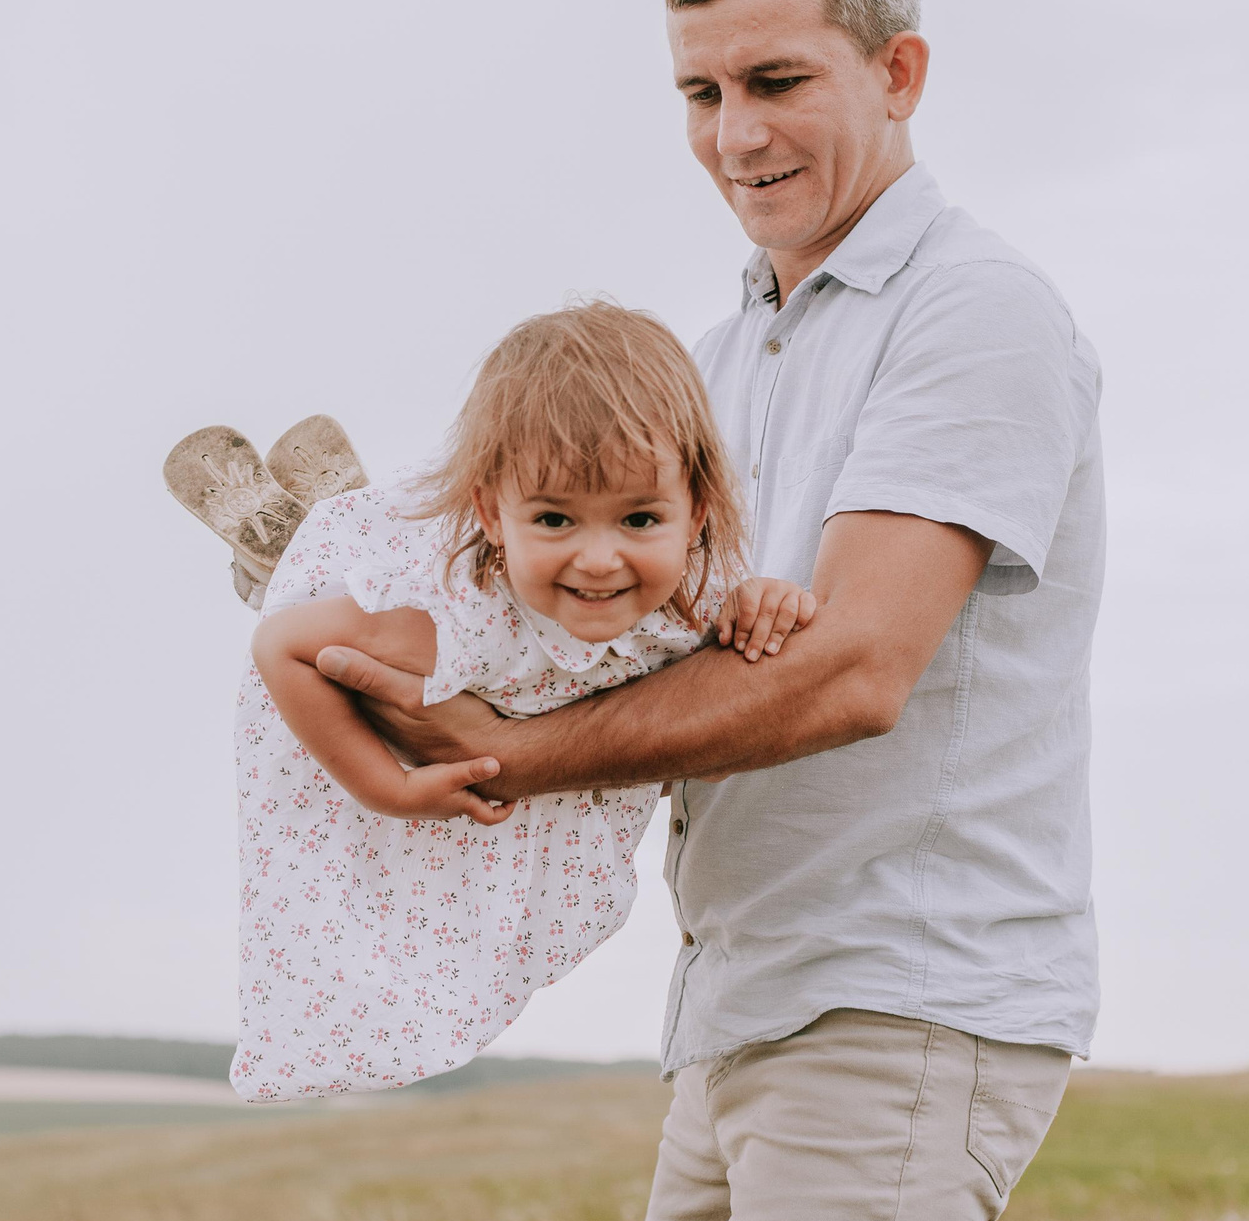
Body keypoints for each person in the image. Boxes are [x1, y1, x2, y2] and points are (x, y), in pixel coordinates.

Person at [314, 0, 1106, 1221]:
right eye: (702, 91)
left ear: (900, 72)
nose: (735, 134)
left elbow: (860, 666)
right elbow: (620, 639)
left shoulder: (976, 311)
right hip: (741, 997)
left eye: (778, 81)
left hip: (901, 990)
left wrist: (505, 752)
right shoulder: (715, 358)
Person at [205, 302, 816, 1102]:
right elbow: (280, 646)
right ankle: (313, 546)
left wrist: (760, 602)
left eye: (639, 518)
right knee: (402, 919)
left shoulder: (687, 594)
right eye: (556, 518)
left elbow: (696, 704)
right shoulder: (454, 616)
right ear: (494, 513)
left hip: (540, 725)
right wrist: (385, 788)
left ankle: (329, 531)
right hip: (444, 688)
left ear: (697, 508)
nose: (600, 560)